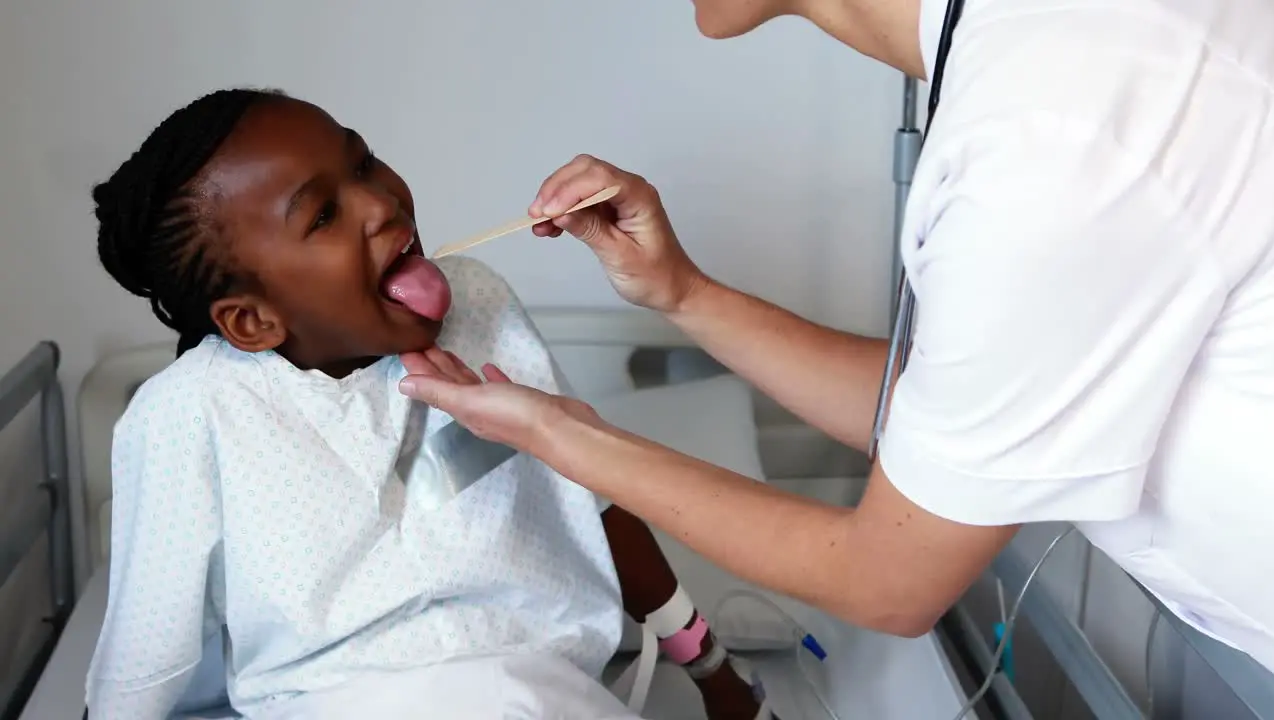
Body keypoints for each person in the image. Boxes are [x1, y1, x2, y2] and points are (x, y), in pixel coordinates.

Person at [397, 0, 1274, 680]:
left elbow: (892, 583)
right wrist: (683, 294)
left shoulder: (1054, 130)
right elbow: (948, 428)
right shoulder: (1055, 61)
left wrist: (555, 432)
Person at [85, 88, 772, 719]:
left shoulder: (477, 302)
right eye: (323, 214)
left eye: (362, 164)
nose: (380, 204)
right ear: (252, 321)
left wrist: (714, 671)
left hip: (536, 691)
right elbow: (146, 650)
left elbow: (590, 496)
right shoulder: (190, 412)